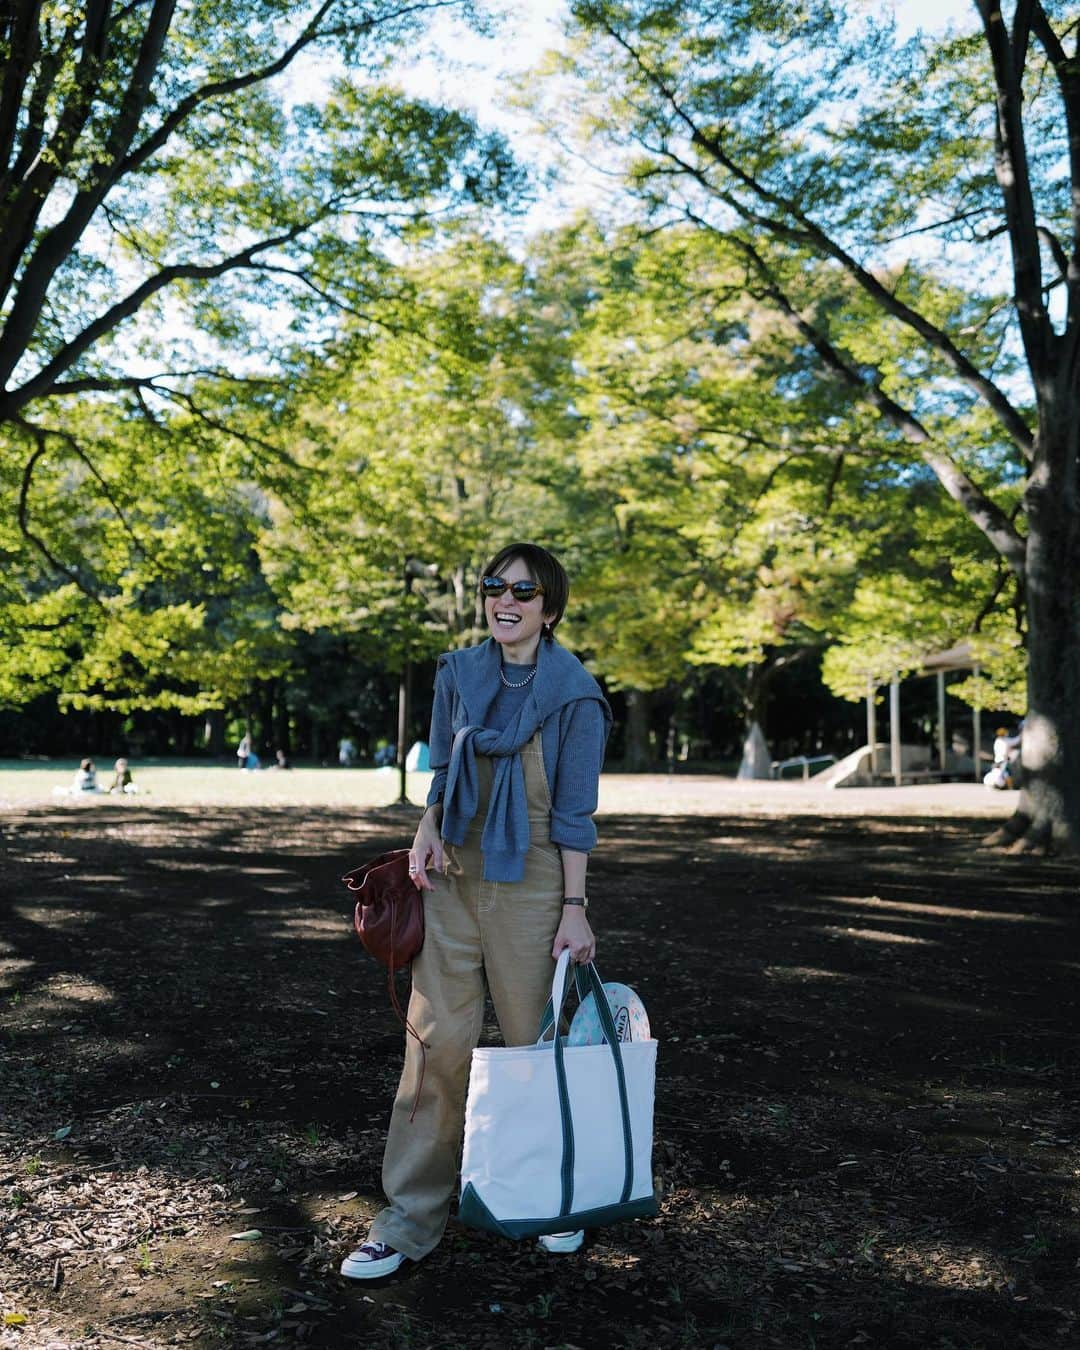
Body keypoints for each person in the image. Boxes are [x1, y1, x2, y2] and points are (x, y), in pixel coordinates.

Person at [340, 543, 611, 1281]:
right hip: (453, 877)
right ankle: (406, 1221)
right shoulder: (458, 675)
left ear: (548, 608)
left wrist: (575, 908)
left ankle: (554, 1200)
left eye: (524, 590)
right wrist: (426, 828)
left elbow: (576, 814)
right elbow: (442, 771)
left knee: (534, 1050)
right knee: (432, 1049)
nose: (506, 599)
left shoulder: (576, 695)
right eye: (496, 586)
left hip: (534, 887)